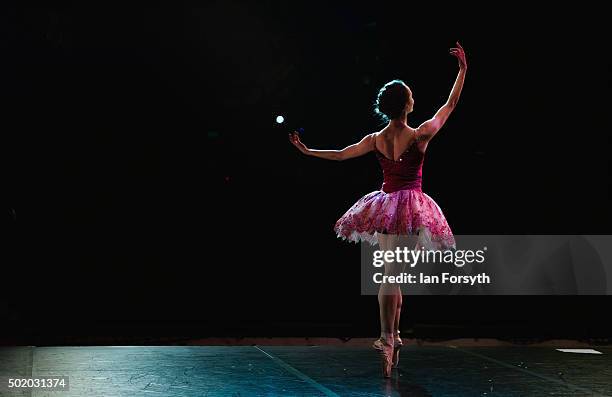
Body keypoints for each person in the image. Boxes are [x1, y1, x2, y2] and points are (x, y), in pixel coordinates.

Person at [290, 42, 467, 378]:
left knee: (393, 276)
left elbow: (341, 154)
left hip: (387, 205)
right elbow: (450, 105)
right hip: (409, 205)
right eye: (412, 95)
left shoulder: (376, 138)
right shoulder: (421, 134)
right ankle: (387, 337)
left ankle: (394, 336)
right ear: (408, 105)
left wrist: (308, 151)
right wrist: (462, 72)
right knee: (392, 276)